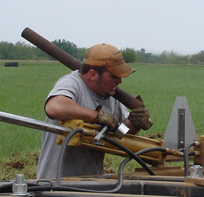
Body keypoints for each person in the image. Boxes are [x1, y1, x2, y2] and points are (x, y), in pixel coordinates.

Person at [36, 43, 151, 181]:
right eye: (114, 76)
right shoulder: (72, 83)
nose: (119, 81)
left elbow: (119, 134)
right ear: (93, 74)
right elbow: (54, 107)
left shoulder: (110, 96)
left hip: (91, 182)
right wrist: (96, 116)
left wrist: (134, 123)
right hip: (55, 183)